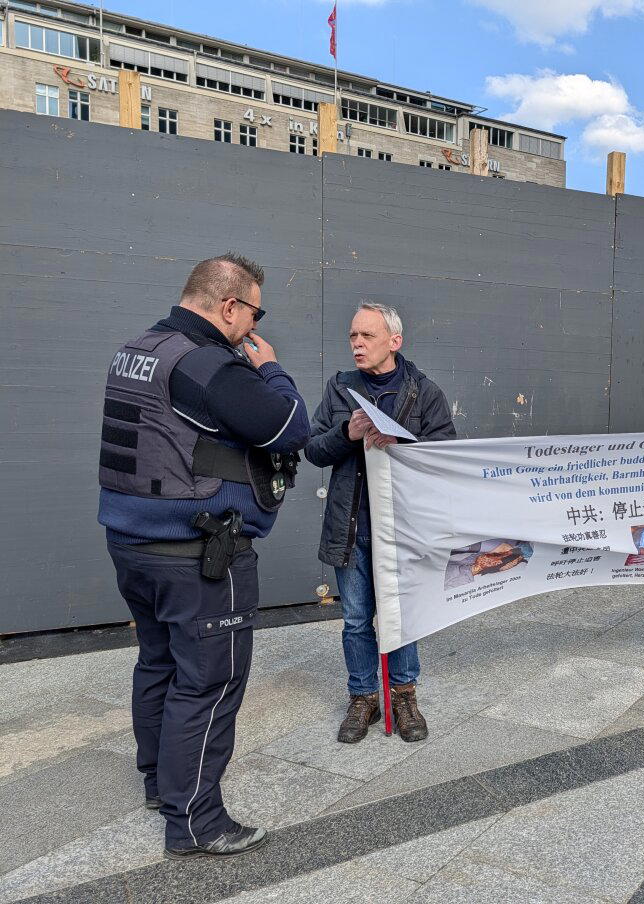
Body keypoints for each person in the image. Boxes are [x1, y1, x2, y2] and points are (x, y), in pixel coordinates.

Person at [99, 253, 310, 859]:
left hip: (131, 545)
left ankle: (158, 785)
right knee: (208, 682)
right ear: (228, 306)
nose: (254, 328)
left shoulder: (137, 349)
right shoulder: (206, 364)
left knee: (158, 665)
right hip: (196, 554)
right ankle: (195, 820)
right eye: (254, 313)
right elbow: (287, 426)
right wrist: (271, 371)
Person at [305, 303, 455, 744]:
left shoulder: (422, 391)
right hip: (350, 526)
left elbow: (445, 453)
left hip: (402, 527)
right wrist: (345, 435)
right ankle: (363, 696)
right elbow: (313, 449)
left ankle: (404, 694)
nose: (356, 344)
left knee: (402, 614)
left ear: (394, 341)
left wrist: (404, 443)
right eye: (353, 336)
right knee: (355, 618)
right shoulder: (340, 389)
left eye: (367, 336)